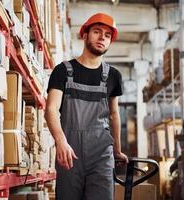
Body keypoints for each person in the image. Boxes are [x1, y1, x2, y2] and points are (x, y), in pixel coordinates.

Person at [45, 13, 129, 200]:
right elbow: (51, 109)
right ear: (85, 35)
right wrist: (61, 142)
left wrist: (117, 150)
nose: (102, 38)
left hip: (101, 153)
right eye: (97, 32)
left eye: (107, 35)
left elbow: (114, 115)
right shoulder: (63, 71)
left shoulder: (113, 76)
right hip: (69, 152)